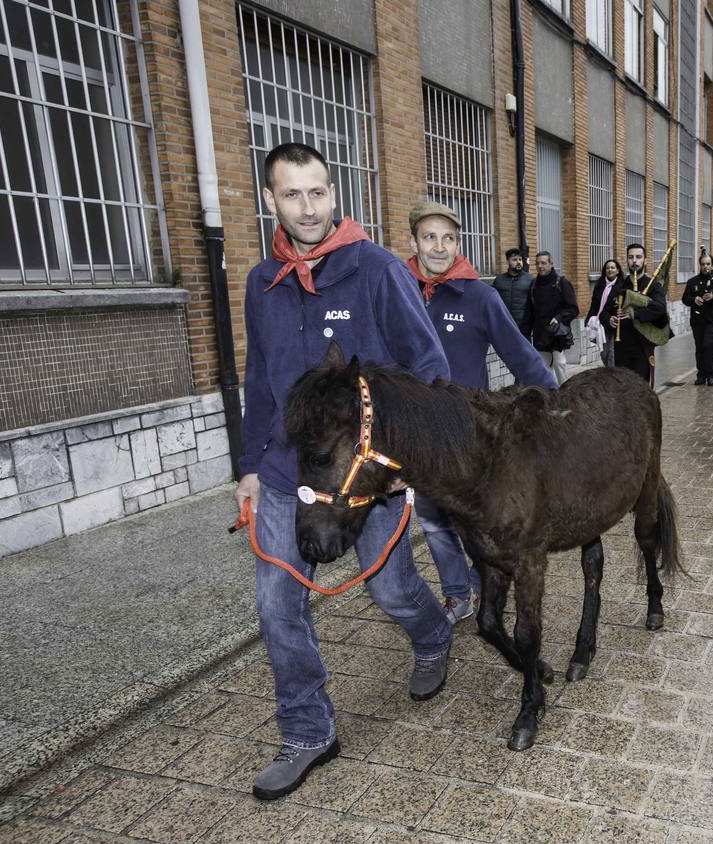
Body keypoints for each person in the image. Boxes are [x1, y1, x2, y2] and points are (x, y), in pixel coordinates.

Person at [236, 143, 453, 800]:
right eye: (293, 195)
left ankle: (434, 630)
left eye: (318, 192)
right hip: (284, 472)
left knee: (389, 591)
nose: (308, 207)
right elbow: (258, 385)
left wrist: (404, 461)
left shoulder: (377, 270)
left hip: (364, 474)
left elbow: (430, 367)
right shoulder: (260, 283)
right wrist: (250, 466)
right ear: (270, 200)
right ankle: (308, 732)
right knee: (277, 604)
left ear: (334, 195)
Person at [406, 201, 557, 620]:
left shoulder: (479, 295)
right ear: (413, 240)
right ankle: (458, 593)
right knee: (434, 522)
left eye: (449, 238)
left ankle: (480, 578)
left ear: (459, 242)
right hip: (418, 437)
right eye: (430, 237)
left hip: (470, 434)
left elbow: (520, 354)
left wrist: (557, 402)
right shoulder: (397, 290)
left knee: (478, 521)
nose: (439, 247)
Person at [610, 243, 670, 385]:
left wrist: (635, 313)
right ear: (627, 260)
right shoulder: (619, 286)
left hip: (642, 348)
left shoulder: (653, 286)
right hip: (621, 347)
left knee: (640, 391)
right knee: (622, 392)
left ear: (645, 261)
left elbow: (660, 308)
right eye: (631, 257)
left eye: (638, 257)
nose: (634, 261)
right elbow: (605, 310)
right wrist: (609, 319)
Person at [526, 250, 578, 383]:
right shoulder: (533, 285)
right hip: (540, 334)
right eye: (537, 263)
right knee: (543, 368)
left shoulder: (562, 282)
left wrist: (559, 318)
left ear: (551, 264)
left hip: (556, 333)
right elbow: (530, 312)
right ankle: (549, 396)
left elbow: (573, 309)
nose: (540, 266)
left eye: (543, 263)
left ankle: (564, 394)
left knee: (559, 364)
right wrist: (525, 332)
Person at [683, 253, 713, 386]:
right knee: (699, 348)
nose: (705, 267)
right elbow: (685, 298)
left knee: (708, 346)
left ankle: (710, 374)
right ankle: (701, 375)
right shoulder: (692, 281)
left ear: (712, 266)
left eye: (708, 264)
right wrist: (694, 299)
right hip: (697, 320)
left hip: (710, 320)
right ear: (700, 265)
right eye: (703, 264)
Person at [585, 258, 623, 368]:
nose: (610, 270)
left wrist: (613, 317)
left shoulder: (622, 286)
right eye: (608, 268)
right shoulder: (599, 285)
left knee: (612, 354)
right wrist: (588, 320)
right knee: (604, 353)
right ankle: (610, 371)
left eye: (612, 267)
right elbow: (594, 306)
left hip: (616, 326)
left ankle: (613, 377)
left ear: (617, 270)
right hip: (602, 324)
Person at [492, 247, 534, 337]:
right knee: (504, 350)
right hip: (504, 325)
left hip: (524, 327)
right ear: (508, 261)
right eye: (514, 260)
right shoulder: (499, 280)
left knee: (523, 351)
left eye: (520, 259)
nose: (518, 262)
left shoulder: (530, 279)